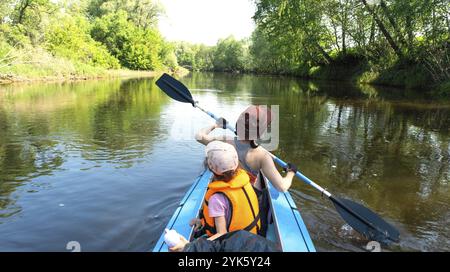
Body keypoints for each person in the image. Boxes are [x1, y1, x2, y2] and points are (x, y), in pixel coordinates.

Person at [170, 141, 261, 252]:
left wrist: (189, 247)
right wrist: (201, 221)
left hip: (235, 247)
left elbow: (221, 234)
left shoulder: (216, 199)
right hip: (252, 239)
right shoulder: (244, 181)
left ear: (210, 167)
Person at [195, 105, 298, 193]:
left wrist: (215, 125)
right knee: (258, 183)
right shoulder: (262, 156)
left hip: (222, 193)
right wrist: (291, 172)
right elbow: (282, 187)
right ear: (260, 132)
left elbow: (199, 136)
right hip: (245, 197)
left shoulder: (224, 141)